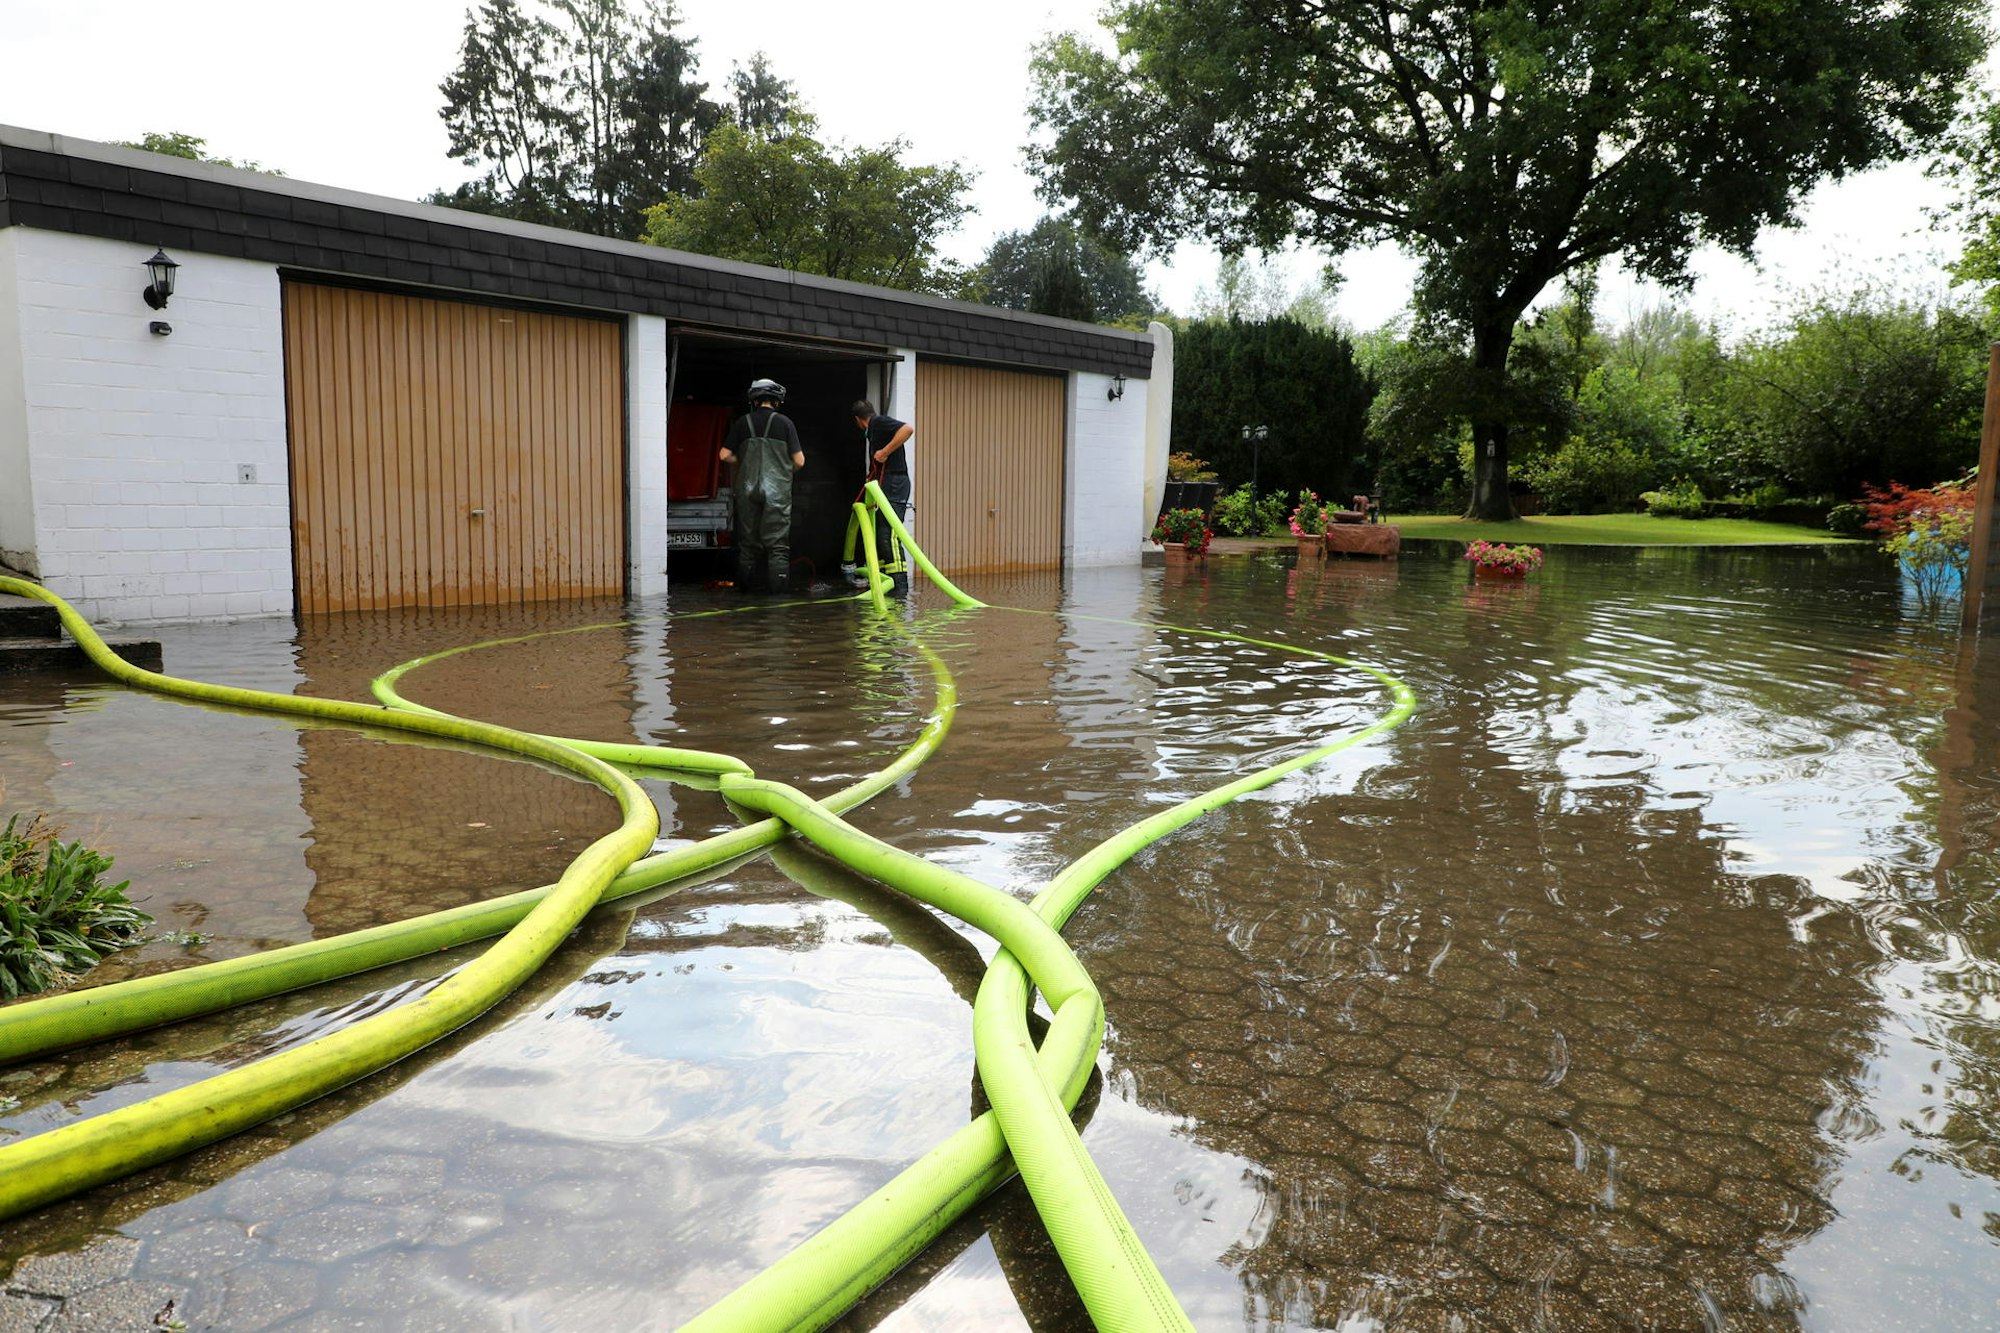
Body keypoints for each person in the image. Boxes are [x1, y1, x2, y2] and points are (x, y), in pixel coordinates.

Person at [719, 379, 804, 593]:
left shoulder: (742, 423)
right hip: (777, 491)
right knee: (777, 546)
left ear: (754, 401)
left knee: (747, 544)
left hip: (747, 488)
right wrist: (784, 471)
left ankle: (744, 595)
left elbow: (724, 455)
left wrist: (743, 462)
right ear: (777, 401)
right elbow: (800, 461)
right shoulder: (785, 423)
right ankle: (778, 600)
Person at [851, 399, 913, 595]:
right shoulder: (874, 431)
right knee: (880, 534)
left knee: (889, 534)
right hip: (886, 485)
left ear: (858, 420)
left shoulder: (878, 422)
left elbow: (908, 429)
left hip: (895, 483)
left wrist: (885, 452)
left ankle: (900, 589)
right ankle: (884, 584)